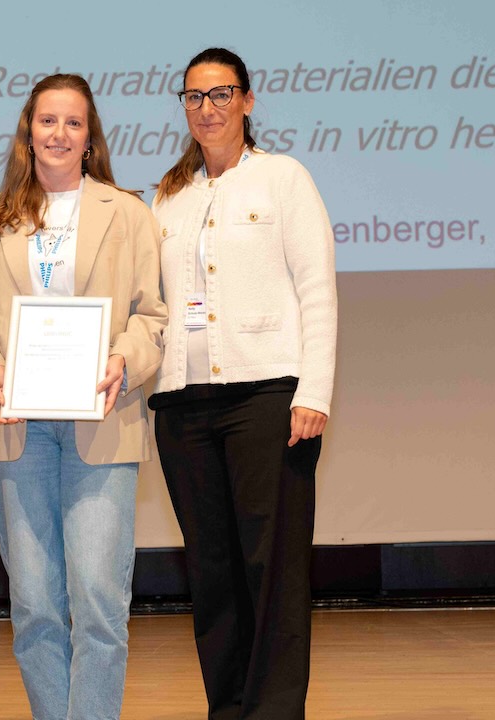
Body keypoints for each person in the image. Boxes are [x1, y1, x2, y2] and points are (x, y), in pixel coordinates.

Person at [0, 74, 167, 720]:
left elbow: (152, 317)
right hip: (16, 428)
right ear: (29, 132)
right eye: (47, 121)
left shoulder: (127, 214)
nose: (58, 134)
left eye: (72, 123)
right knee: (33, 607)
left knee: (101, 605)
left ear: (90, 137)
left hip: (102, 423)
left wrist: (120, 361)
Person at [149, 48, 338, 720]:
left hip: (266, 398)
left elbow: (316, 288)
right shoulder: (169, 196)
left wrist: (313, 390)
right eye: (196, 97)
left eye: (222, 94)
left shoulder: (283, 179)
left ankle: (275, 712)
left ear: (249, 101)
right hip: (181, 406)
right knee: (213, 574)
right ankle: (227, 709)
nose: (208, 109)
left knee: (274, 571)